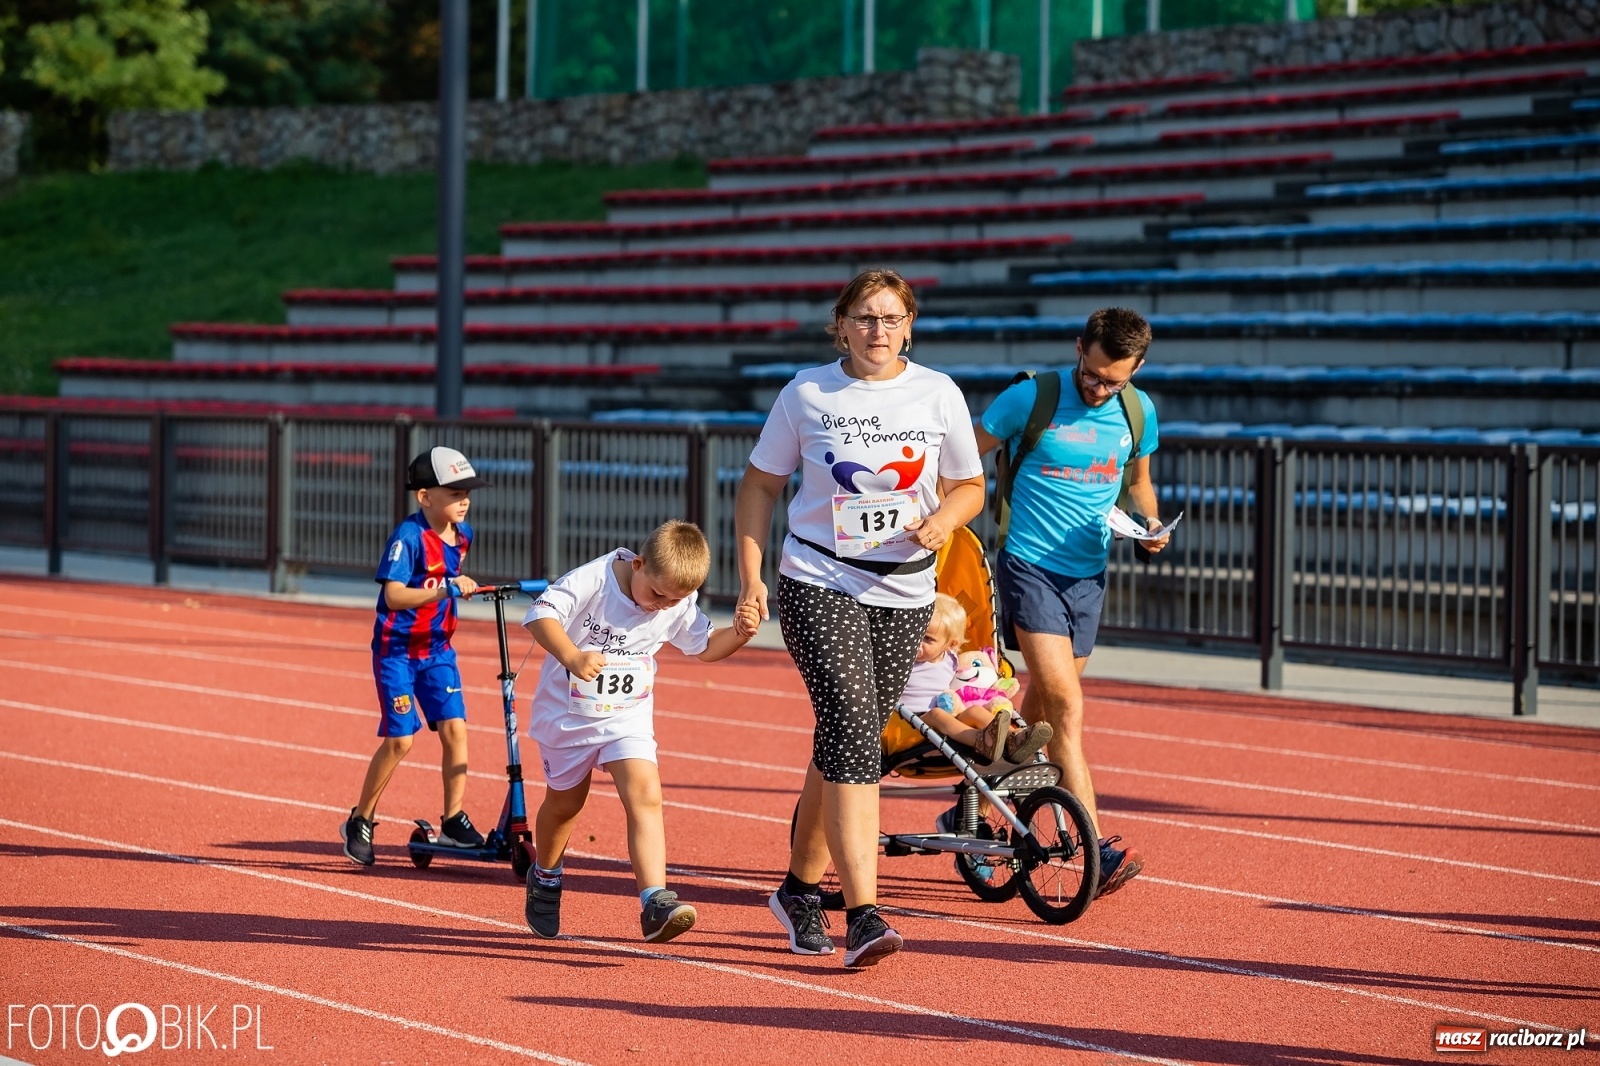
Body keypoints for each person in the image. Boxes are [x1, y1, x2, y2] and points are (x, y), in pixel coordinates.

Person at [735, 268, 986, 968]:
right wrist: (751, 577)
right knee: (853, 728)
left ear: (910, 325)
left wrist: (945, 518)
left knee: (846, 736)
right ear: (840, 325)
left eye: (891, 317)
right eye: (865, 318)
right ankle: (865, 915)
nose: (878, 330)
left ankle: (796, 890)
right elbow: (760, 483)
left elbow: (970, 484)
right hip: (818, 578)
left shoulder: (939, 393)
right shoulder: (807, 393)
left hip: (904, 592)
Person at [973, 307, 1169, 899]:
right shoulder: (1030, 400)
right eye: (1094, 373)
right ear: (1079, 347)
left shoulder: (1137, 411)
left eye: (1115, 381)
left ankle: (981, 801)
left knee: (1042, 714)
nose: (1100, 388)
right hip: (1029, 564)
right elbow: (961, 462)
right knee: (1067, 705)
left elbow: (1138, 483)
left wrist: (1151, 522)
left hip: (1089, 575)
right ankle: (1095, 849)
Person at [521, 520, 761, 943]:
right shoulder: (595, 579)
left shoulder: (675, 604)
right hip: (567, 716)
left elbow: (705, 647)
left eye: (676, 600)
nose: (661, 607)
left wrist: (740, 634)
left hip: (625, 717)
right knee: (564, 806)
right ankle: (547, 874)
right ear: (638, 564)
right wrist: (573, 656)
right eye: (657, 594)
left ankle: (655, 900)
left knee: (645, 792)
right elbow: (541, 614)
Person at [342, 446, 489, 867]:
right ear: (424, 497)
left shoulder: (464, 535)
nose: (464, 499)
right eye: (454, 491)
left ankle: (454, 819)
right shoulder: (407, 538)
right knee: (400, 739)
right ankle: (361, 818)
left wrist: (452, 590)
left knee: (456, 730)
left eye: (469, 491)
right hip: (397, 654)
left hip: (439, 650)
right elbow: (392, 594)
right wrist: (444, 589)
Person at [899, 593, 1053, 769]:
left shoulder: (952, 660)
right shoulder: (902, 659)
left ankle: (1014, 738)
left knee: (975, 710)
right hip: (910, 723)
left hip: (950, 714)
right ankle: (979, 740)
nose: (917, 641)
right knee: (937, 714)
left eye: (927, 639)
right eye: (914, 633)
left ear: (950, 644)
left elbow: (966, 682)